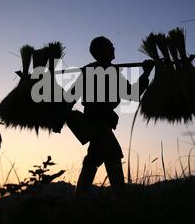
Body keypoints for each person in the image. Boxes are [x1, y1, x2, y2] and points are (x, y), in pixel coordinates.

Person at [54, 36, 154, 196]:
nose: (114, 48)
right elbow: (132, 94)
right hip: (96, 122)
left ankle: (80, 198)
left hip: (102, 122)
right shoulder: (93, 72)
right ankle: (119, 198)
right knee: (113, 154)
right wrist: (146, 72)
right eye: (111, 46)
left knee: (93, 158)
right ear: (102, 51)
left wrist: (146, 73)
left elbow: (131, 93)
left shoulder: (107, 72)